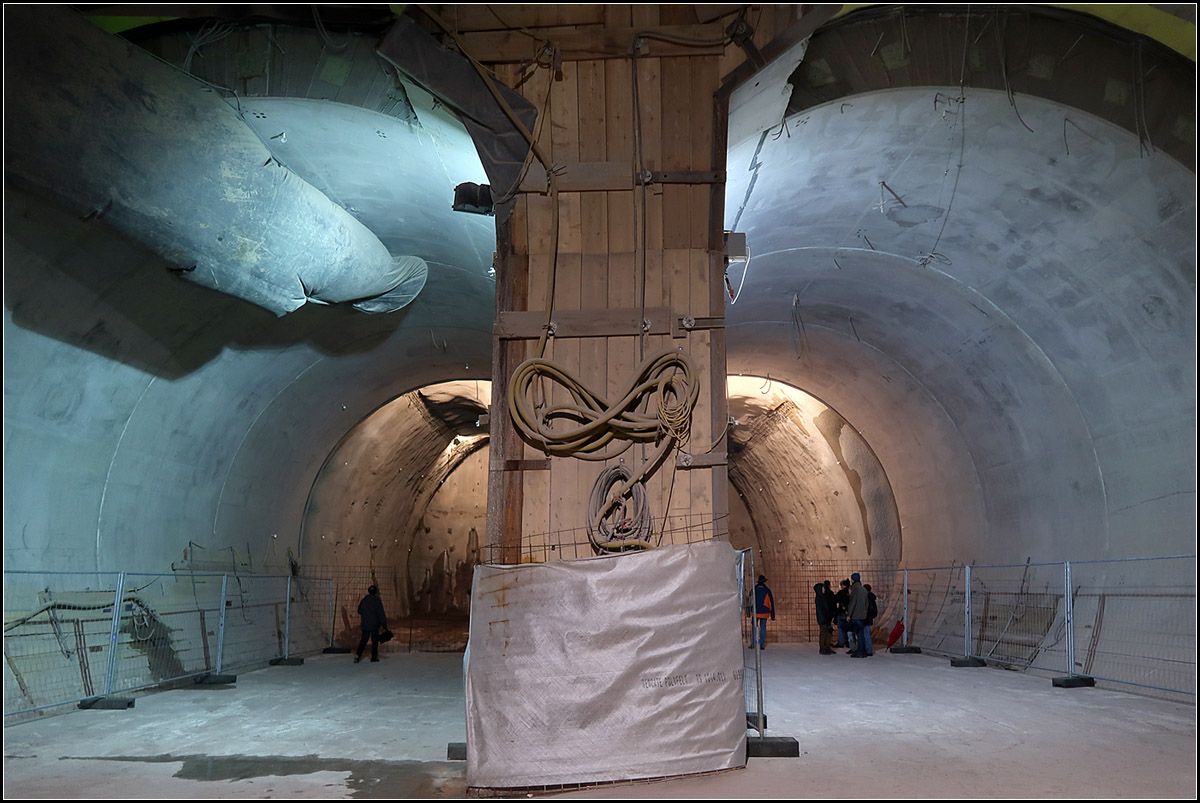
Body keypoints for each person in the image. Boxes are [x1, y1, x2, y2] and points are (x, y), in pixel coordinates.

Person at [355, 585, 387, 663]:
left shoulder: (364, 600)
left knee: (363, 640)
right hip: (375, 625)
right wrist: (384, 624)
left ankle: (357, 656)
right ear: (375, 592)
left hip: (365, 624)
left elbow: (359, 611)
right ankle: (373, 657)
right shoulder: (377, 601)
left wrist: (366, 614)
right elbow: (381, 614)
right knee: (374, 641)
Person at [846, 572, 869, 658]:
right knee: (861, 634)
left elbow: (853, 603)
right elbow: (867, 603)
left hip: (856, 615)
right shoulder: (863, 589)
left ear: (852, 580)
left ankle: (860, 651)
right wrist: (865, 613)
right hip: (863, 615)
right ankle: (862, 651)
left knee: (858, 634)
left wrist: (849, 614)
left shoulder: (855, 589)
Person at [752, 575, 775, 649]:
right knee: (763, 628)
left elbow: (749, 600)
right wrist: (772, 615)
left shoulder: (754, 589)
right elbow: (771, 603)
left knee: (754, 628)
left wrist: (749, 611)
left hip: (755, 612)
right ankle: (761, 645)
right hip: (764, 613)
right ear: (764, 581)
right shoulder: (767, 590)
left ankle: (753, 644)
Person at [813, 583, 835, 654]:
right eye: (823, 588)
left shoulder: (822, 597)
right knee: (823, 633)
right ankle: (823, 648)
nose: (824, 589)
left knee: (827, 632)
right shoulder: (820, 598)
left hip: (825, 617)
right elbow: (821, 610)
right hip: (823, 618)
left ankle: (826, 647)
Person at [834, 578, 852, 650]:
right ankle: (849, 642)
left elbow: (835, 599)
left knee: (840, 628)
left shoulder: (841, 593)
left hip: (841, 612)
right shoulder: (851, 592)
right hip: (850, 612)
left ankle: (841, 642)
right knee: (849, 628)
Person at [863, 583, 878, 657]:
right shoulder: (872, 598)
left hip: (865, 618)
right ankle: (868, 650)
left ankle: (868, 650)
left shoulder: (866, 597)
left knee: (865, 634)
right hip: (869, 618)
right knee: (867, 634)